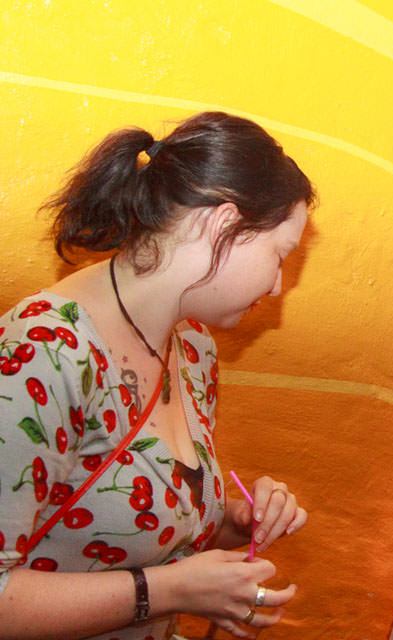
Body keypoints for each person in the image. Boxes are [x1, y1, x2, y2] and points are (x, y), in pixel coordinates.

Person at [0, 112, 313, 639]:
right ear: (222, 225)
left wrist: (234, 522)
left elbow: (139, 534)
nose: (278, 285)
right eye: (279, 255)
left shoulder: (192, 348)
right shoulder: (43, 353)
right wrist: (168, 592)